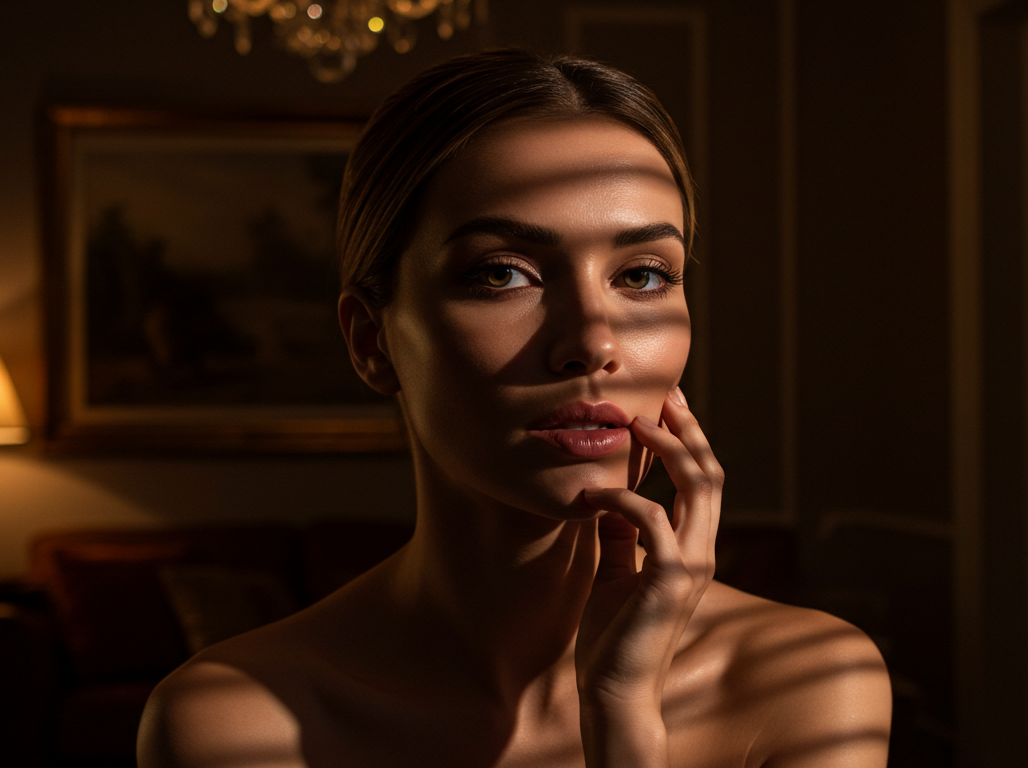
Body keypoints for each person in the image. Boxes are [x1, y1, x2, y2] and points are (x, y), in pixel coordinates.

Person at [138, 48, 891, 768]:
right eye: (503, 273)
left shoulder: (810, 684)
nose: (593, 342)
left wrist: (623, 711)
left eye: (642, 276)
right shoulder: (236, 723)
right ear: (372, 341)